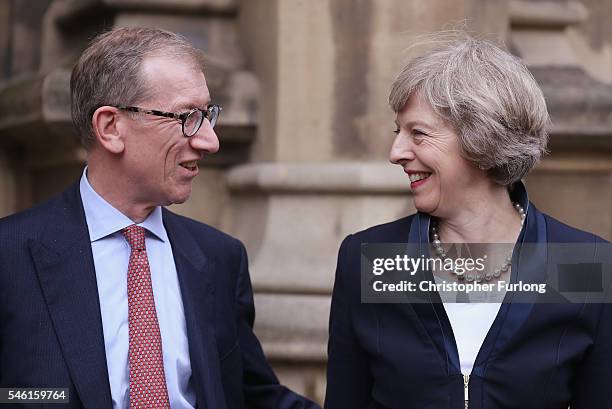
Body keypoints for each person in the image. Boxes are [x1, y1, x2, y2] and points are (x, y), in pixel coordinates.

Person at [0, 27, 319, 409]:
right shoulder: (11, 255)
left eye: (208, 115)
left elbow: (252, 396)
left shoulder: (219, 258)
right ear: (110, 127)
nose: (209, 141)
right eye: (187, 117)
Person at [324, 35, 611, 409]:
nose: (396, 153)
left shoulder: (583, 262)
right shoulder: (369, 258)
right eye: (399, 132)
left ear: (483, 138)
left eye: (418, 133)